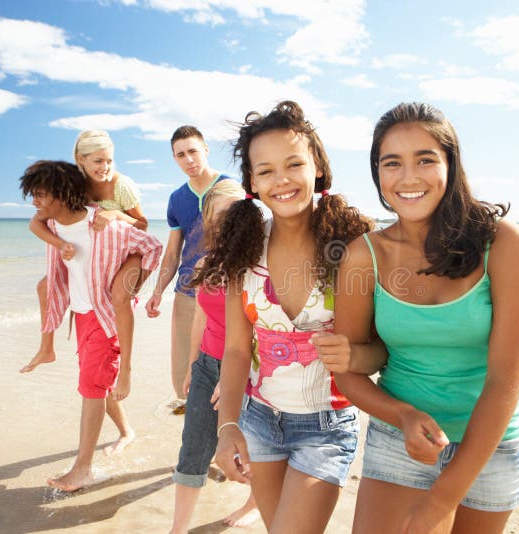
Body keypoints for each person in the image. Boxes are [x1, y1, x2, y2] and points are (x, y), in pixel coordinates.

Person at [333, 102, 519, 533]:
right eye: (392, 163)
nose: (408, 177)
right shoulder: (362, 255)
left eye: (425, 159)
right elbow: (348, 371)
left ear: (451, 164)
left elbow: (505, 381)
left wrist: (441, 500)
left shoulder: (503, 244)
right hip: (397, 438)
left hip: (492, 445)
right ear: (377, 174)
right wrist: (402, 415)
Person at [200, 100, 375, 532]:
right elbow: (239, 349)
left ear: (317, 167)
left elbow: (381, 348)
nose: (281, 180)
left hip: (328, 425)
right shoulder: (244, 247)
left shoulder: (354, 245)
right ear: (252, 183)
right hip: (258, 419)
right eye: (265, 170)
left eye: (293, 163)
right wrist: (227, 428)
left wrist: (354, 355)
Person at [19, 160, 162, 492]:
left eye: (40, 195)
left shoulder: (105, 228)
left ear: (61, 193)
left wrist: (128, 284)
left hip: (104, 319)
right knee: (95, 385)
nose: (35, 202)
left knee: (91, 390)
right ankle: (127, 432)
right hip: (81, 315)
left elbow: (152, 245)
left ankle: (83, 469)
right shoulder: (54, 226)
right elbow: (36, 228)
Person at [170, 179, 259, 533]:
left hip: (250, 369)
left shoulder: (258, 265)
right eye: (219, 217)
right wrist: (194, 365)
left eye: (237, 214)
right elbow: (201, 320)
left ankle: (254, 503)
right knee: (193, 445)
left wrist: (232, 377)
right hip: (208, 364)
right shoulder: (205, 263)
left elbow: (262, 327)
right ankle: (178, 528)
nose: (228, 224)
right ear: (208, 220)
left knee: (250, 447)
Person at [145, 126, 231, 404]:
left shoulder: (230, 188)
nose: (188, 159)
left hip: (225, 293)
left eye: (193, 151)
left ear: (205, 150)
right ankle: (193, 429)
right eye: (180, 155)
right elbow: (172, 252)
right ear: (175, 159)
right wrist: (158, 291)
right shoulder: (176, 199)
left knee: (228, 372)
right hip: (186, 293)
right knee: (184, 372)